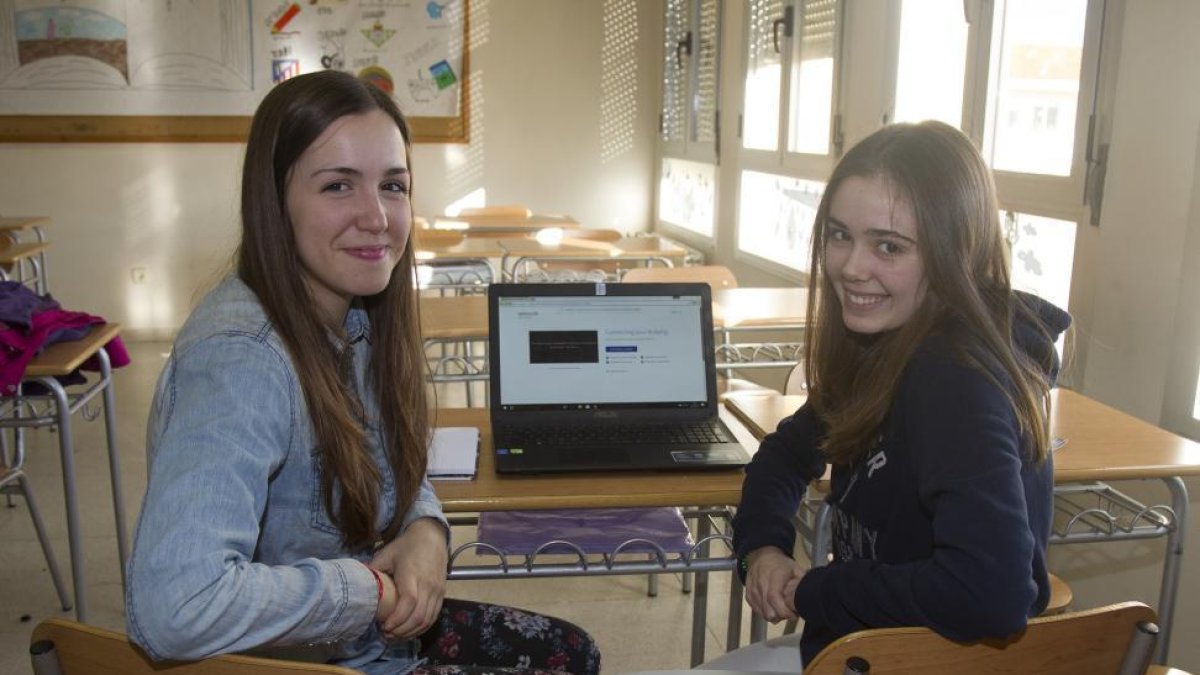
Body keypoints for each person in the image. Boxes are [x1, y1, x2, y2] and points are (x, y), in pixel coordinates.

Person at [125, 70, 600, 675]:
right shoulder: (242, 359)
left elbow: (384, 464)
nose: (376, 216)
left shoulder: (355, 319)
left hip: (358, 641)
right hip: (293, 662)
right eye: (338, 186)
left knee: (572, 653)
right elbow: (176, 607)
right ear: (274, 201)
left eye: (393, 186)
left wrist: (427, 529)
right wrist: (365, 590)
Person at [704, 121, 1072, 671]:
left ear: (955, 254)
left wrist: (820, 589)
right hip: (861, 650)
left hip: (908, 659)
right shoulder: (886, 349)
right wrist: (765, 548)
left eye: (889, 246)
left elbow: (992, 595)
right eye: (839, 235)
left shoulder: (954, 380)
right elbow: (786, 453)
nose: (852, 267)